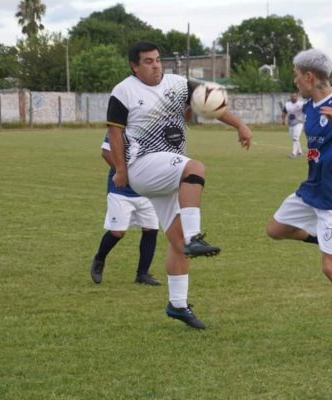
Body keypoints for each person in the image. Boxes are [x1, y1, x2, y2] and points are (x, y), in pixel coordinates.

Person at [107, 41, 252, 330]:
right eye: (148, 61)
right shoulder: (123, 91)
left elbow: (209, 99)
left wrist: (239, 125)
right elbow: (114, 132)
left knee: (177, 241)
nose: (156, 65)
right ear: (135, 66)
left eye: (158, 60)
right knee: (195, 168)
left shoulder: (177, 84)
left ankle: (178, 305)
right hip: (143, 165)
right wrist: (120, 169)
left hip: (168, 169)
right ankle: (195, 235)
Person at [266, 49, 332, 358]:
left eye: (296, 74)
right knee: (275, 229)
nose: (294, 79)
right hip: (312, 189)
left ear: (309, 76)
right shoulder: (309, 104)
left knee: (331, 268)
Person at [90, 132, 161, 286]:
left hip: (146, 189)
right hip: (120, 189)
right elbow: (106, 153)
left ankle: (142, 274)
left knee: (151, 229)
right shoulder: (119, 127)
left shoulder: (152, 127)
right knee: (117, 232)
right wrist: (124, 173)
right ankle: (99, 259)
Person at [281, 92, 305, 158]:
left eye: (295, 96)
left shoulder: (301, 104)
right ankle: (300, 152)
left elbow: (307, 111)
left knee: (295, 138)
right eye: (292, 96)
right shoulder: (287, 104)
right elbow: (284, 112)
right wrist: (283, 120)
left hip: (299, 123)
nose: (293, 97)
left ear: (297, 97)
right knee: (295, 139)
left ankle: (293, 153)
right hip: (290, 124)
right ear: (290, 97)